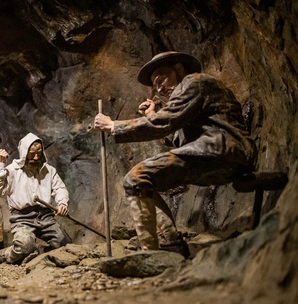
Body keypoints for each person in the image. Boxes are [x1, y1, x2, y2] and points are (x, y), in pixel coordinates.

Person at [92, 51, 256, 257]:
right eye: (156, 85)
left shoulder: (195, 82)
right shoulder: (191, 96)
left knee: (136, 177)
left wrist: (113, 125)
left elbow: (166, 122)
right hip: (217, 155)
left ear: (179, 69)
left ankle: (152, 254)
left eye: (162, 79)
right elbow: (176, 137)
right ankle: (171, 245)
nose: (160, 88)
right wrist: (152, 115)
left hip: (222, 150)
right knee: (139, 180)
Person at [0, 132, 70, 264]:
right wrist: (1, 165)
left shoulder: (49, 170)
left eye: (39, 153)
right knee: (24, 245)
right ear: (24, 152)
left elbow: (60, 188)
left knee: (64, 245)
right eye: (32, 153)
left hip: (46, 217)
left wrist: (62, 204)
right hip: (22, 218)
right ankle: (7, 253)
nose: (36, 157)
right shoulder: (11, 171)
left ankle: (38, 253)